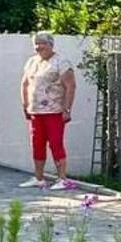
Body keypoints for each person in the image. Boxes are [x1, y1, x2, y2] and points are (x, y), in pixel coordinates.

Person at [20, 32, 78, 189]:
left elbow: (70, 86)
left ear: (51, 44)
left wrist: (67, 109)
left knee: (55, 143)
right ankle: (39, 177)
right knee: (36, 143)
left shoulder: (61, 62)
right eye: (36, 43)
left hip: (54, 110)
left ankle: (62, 179)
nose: (39, 47)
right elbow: (25, 84)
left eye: (42, 43)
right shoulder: (32, 62)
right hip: (35, 111)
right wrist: (25, 104)